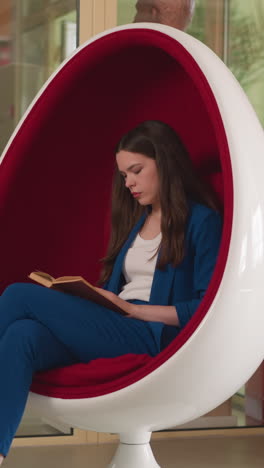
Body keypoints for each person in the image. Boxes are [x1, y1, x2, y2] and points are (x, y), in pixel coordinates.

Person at [0, 120, 221, 464]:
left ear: (165, 162)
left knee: (17, 295)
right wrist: (91, 296)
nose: (129, 182)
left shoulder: (202, 222)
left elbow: (208, 308)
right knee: (21, 335)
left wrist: (134, 311)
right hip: (115, 322)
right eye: (124, 175)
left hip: (149, 333)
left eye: (136, 170)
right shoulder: (138, 221)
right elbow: (119, 290)